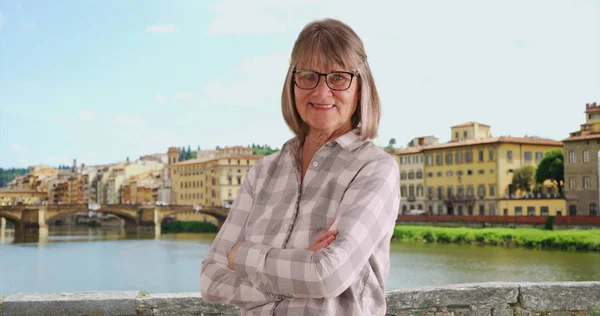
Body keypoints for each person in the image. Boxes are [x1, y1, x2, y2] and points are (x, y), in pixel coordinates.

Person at [200, 18, 400, 316]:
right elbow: (210, 280)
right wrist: (300, 266)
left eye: (338, 77)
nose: (321, 92)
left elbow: (326, 275)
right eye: (308, 76)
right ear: (292, 84)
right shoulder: (262, 172)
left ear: (360, 87)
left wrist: (241, 254)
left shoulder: (375, 169)